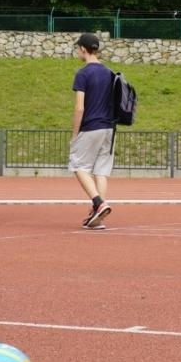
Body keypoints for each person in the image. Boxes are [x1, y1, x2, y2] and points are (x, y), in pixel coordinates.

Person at [69, 32, 115, 228]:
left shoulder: (83, 73)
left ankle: (98, 203)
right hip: (109, 129)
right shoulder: (110, 73)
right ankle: (98, 216)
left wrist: (74, 134)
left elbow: (80, 107)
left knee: (78, 166)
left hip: (91, 126)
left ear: (83, 49)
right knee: (101, 171)